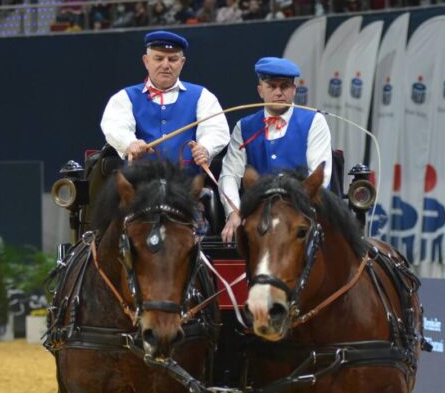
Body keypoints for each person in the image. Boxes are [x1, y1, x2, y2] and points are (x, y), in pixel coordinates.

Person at [219, 57, 332, 242]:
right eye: (272, 86)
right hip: (258, 219)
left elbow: (321, 176)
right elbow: (229, 175)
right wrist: (234, 213)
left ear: (294, 90)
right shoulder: (244, 127)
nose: (279, 92)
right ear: (260, 91)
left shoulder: (314, 122)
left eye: (285, 86)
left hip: (302, 215)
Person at [100, 30, 229, 171]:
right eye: (159, 58)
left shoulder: (202, 96)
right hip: (141, 185)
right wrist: (129, 143)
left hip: (188, 185)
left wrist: (205, 148)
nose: (166, 65)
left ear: (182, 62)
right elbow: (115, 126)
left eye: (172, 59)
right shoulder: (124, 97)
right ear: (146, 61)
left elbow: (216, 130)